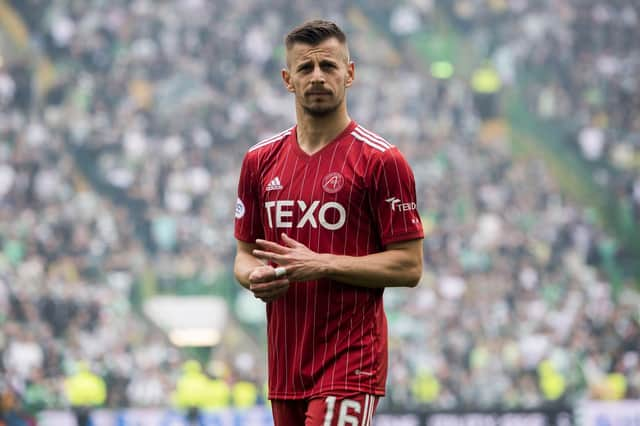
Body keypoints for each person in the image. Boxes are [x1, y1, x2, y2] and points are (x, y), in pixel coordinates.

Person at [233, 19, 424, 426]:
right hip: (286, 364)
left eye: (329, 66)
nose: (317, 76)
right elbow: (244, 256)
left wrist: (322, 263)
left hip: (351, 362)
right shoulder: (259, 161)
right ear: (288, 79)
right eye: (305, 68)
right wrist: (254, 278)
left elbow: (409, 266)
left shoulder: (381, 161)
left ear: (349, 73)